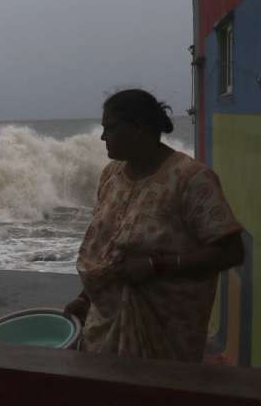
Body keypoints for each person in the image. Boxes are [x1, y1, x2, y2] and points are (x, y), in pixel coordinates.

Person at [64, 88, 244, 362]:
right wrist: (85, 298)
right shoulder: (111, 175)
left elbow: (231, 252)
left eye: (110, 128)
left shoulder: (191, 179)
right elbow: (107, 250)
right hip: (105, 325)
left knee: (158, 400)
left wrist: (155, 266)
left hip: (166, 333)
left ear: (138, 128)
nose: (102, 137)